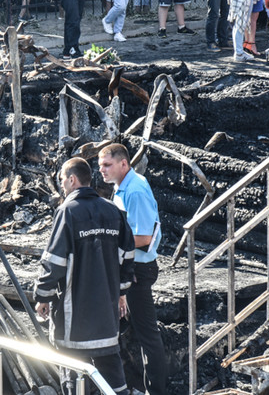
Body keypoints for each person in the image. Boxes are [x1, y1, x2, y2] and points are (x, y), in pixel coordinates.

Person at [34, 158, 135, 395]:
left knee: (73, 372)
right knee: (112, 374)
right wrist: (121, 293)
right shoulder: (113, 211)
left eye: (61, 180)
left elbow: (54, 261)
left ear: (72, 179)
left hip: (75, 316)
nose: (61, 185)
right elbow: (127, 257)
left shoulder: (67, 212)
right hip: (106, 315)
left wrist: (43, 296)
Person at [98, 144, 167, 395]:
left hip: (139, 268)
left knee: (147, 335)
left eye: (107, 165)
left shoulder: (135, 190)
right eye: (100, 166)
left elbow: (144, 237)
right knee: (130, 330)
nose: (102, 171)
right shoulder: (121, 187)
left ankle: (155, 391)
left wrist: (106, 239)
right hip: (128, 265)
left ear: (123, 164)